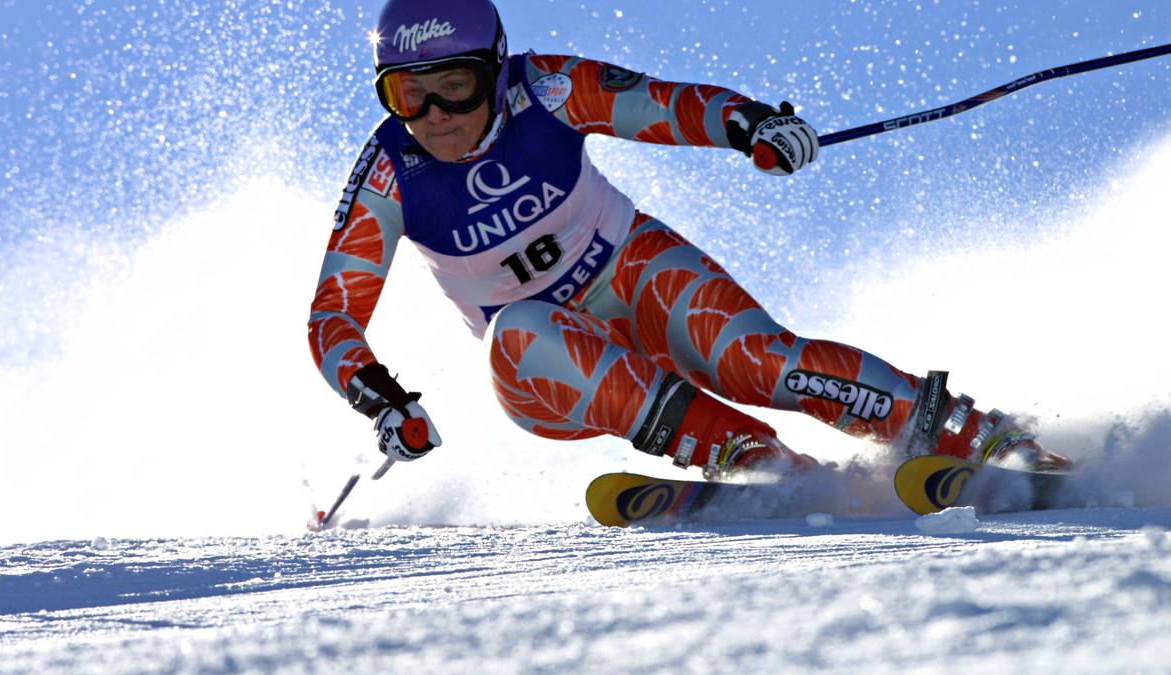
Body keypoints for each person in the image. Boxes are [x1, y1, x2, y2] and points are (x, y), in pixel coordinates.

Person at [307, 0, 1070, 482]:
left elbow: (660, 104)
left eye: (454, 87)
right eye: (407, 94)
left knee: (756, 358)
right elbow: (332, 317)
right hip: (551, 371)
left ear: (494, 71)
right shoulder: (389, 174)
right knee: (520, 330)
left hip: (635, 272)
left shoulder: (547, 89)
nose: (435, 115)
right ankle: (748, 456)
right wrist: (383, 402)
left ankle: (968, 434)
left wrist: (751, 125)